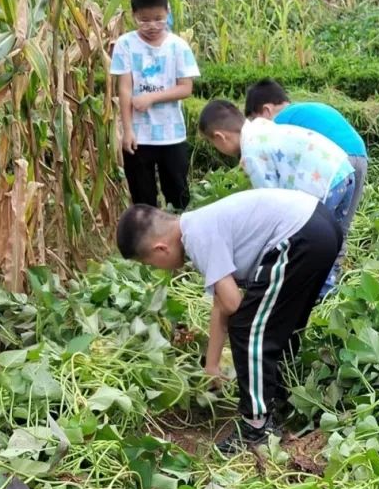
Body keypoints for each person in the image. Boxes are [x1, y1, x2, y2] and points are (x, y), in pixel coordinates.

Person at [115, 193, 341, 453]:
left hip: (302, 235)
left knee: (248, 329)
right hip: (319, 226)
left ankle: (256, 427)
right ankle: (279, 395)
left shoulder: (196, 236)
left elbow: (232, 304)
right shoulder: (200, 224)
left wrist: (226, 349)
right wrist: (211, 364)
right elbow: (220, 305)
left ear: (160, 249)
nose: (158, 268)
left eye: (150, 263)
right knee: (281, 321)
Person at [198, 99, 355, 295]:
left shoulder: (252, 152)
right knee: (333, 238)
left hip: (322, 183)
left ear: (220, 137)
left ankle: (307, 294)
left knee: (309, 242)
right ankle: (325, 294)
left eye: (212, 143)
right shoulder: (261, 127)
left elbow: (272, 204)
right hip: (342, 170)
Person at [244, 79, 367, 254]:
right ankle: (333, 278)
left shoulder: (279, 123)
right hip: (360, 156)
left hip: (335, 165)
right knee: (340, 230)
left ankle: (310, 275)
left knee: (312, 229)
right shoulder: (304, 109)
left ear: (266, 111)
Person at [110, 0, 199, 209]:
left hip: (172, 134)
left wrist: (151, 97)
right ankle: (147, 243)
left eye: (159, 19)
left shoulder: (178, 46)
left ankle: (180, 242)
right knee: (143, 200)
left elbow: (186, 88)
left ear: (168, 12)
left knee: (178, 197)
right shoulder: (125, 44)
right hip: (139, 136)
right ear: (133, 16)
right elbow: (125, 87)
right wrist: (127, 130)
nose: (152, 26)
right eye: (144, 20)